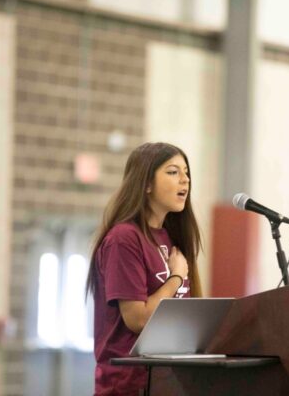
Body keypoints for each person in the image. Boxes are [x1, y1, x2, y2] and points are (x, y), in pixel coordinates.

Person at [86, 142, 203, 395]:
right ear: (146, 184)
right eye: (173, 172)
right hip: (128, 385)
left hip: (170, 381)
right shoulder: (124, 239)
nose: (185, 180)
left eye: (186, 172)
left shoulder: (173, 238)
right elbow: (138, 319)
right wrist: (175, 279)